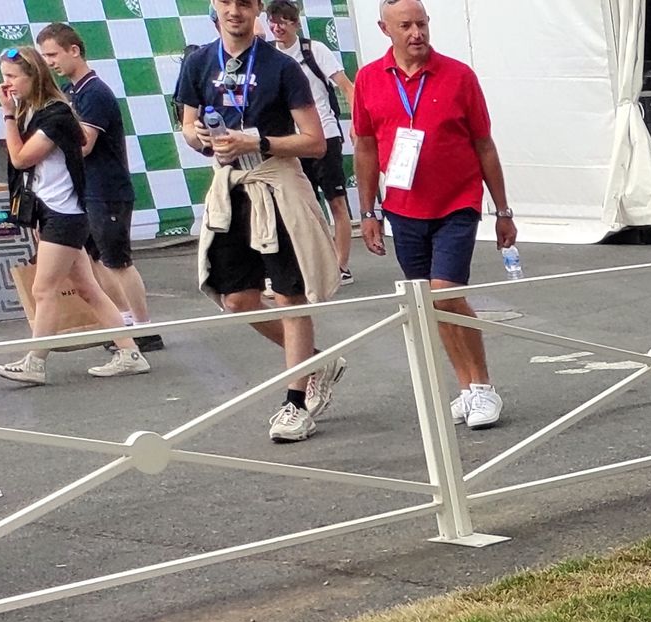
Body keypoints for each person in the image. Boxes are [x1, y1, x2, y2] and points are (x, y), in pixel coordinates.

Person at [174, 0, 344, 444]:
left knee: (291, 297)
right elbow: (189, 126)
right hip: (230, 187)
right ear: (215, 5)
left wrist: (258, 139)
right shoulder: (198, 62)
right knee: (236, 300)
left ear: (258, 9)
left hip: (276, 182)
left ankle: (295, 401)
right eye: (227, 2)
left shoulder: (280, 66)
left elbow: (316, 141)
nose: (235, 11)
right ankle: (314, 361)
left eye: (245, 3)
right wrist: (202, 138)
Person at [352, 0, 518, 431]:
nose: (416, 33)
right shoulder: (369, 79)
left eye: (421, 24)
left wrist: (503, 210)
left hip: (457, 203)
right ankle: (465, 388)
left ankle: (484, 385)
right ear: (384, 29)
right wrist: (367, 211)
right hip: (403, 208)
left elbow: (485, 144)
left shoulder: (459, 76)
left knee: (446, 292)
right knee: (428, 302)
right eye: (405, 25)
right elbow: (366, 148)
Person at [0, 46, 148, 385]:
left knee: (44, 289)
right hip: (53, 210)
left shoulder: (55, 114)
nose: (6, 84)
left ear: (33, 76)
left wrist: (6, 114)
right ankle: (130, 351)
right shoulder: (35, 111)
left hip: (65, 213)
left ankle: (35, 361)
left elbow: (20, 159)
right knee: (87, 287)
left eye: (12, 77)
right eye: (3, 76)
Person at [33, 24, 159, 361]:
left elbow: (84, 144)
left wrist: (47, 139)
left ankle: (144, 329)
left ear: (74, 50)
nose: (50, 62)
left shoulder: (94, 92)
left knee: (118, 260)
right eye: (45, 57)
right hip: (87, 190)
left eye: (53, 54)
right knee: (97, 258)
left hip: (108, 189)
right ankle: (126, 321)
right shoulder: (70, 91)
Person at [263, 1, 353, 287]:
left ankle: (341, 266)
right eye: (273, 21)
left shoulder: (314, 50)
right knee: (302, 208)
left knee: (336, 202)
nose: (278, 27)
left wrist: (359, 126)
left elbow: (346, 86)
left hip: (325, 136)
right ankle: (311, 266)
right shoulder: (266, 56)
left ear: (296, 23)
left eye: (285, 22)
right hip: (291, 143)